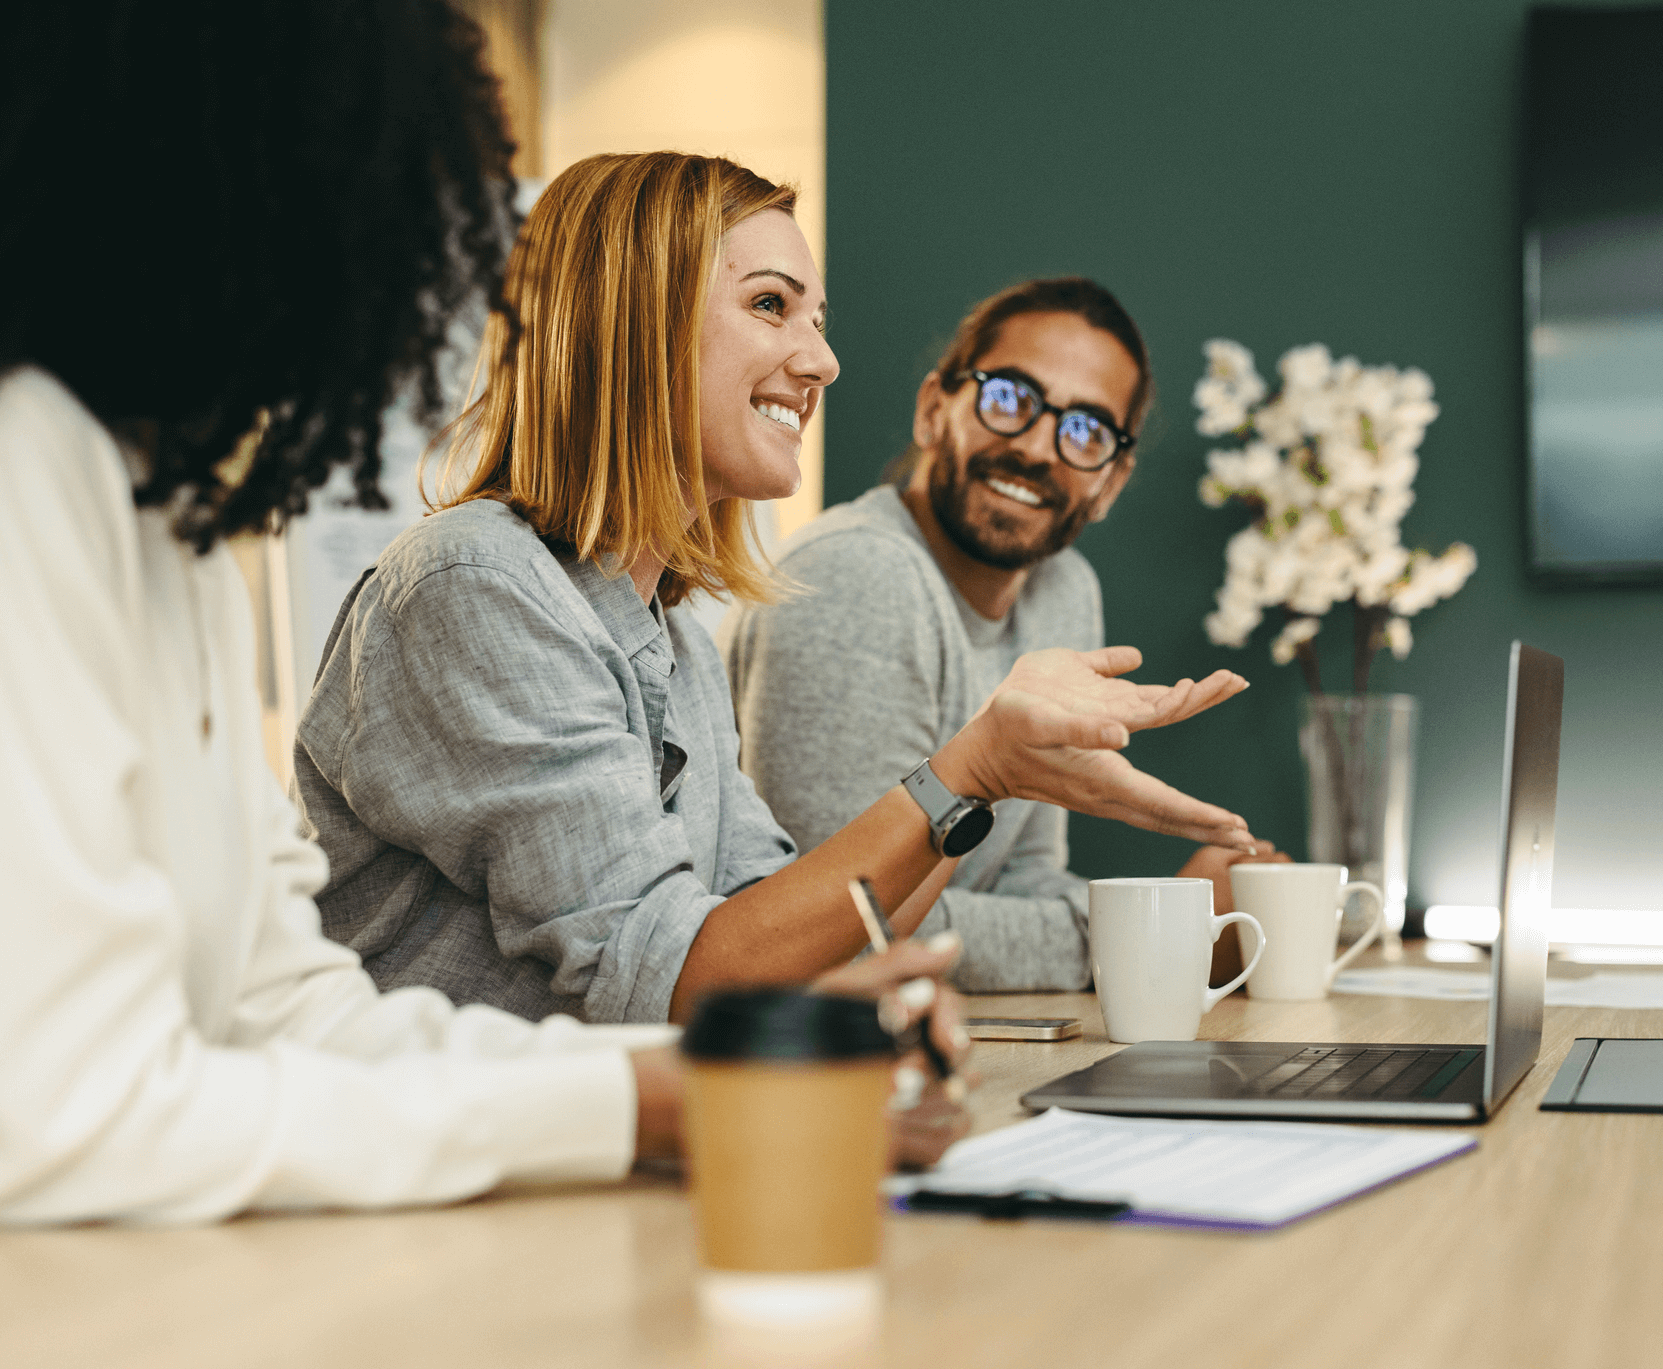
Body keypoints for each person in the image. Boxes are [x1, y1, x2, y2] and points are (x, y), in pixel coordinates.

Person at [0, 1, 963, 1227]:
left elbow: (293, 1012)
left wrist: (714, 1074)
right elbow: (65, 1120)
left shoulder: (168, 533)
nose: (410, 274)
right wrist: (648, 1104)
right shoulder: (32, 465)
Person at [292, 154, 1262, 1032]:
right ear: (638, 319)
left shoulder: (670, 637)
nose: (822, 362)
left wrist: (992, 784)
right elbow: (678, 976)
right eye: (770, 305)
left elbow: (803, 936)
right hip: (440, 1192)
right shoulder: (476, 583)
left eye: (818, 321)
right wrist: (973, 769)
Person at [725, 279, 1285, 992]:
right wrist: (1159, 929)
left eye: (1085, 430)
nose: (1037, 447)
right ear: (934, 410)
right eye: (1010, 397)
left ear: (1110, 482)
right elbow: (846, 933)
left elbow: (1024, 880)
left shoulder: (1063, 588)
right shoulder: (856, 574)